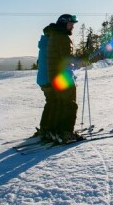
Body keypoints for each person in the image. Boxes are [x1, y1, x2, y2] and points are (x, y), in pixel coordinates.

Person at [36, 14, 80, 142]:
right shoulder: (62, 37)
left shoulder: (53, 36)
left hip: (54, 76)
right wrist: (80, 60)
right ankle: (65, 132)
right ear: (63, 24)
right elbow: (66, 59)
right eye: (70, 24)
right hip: (62, 76)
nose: (72, 26)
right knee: (69, 104)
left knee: (58, 103)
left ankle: (52, 130)